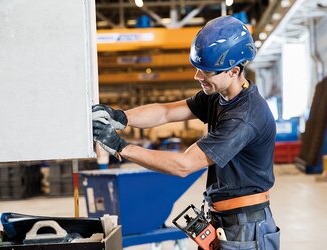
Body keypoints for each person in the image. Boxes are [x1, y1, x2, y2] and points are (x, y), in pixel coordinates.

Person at [92, 15, 280, 250]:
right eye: (198, 68)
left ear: (233, 71)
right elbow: (166, 112)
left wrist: (121, 147)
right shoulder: (219, 96)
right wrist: (121, 117)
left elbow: (184, 165)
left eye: (207, 72)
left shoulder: (245, 116)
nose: (198, 76)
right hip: (226, 218)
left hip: (245, 226)